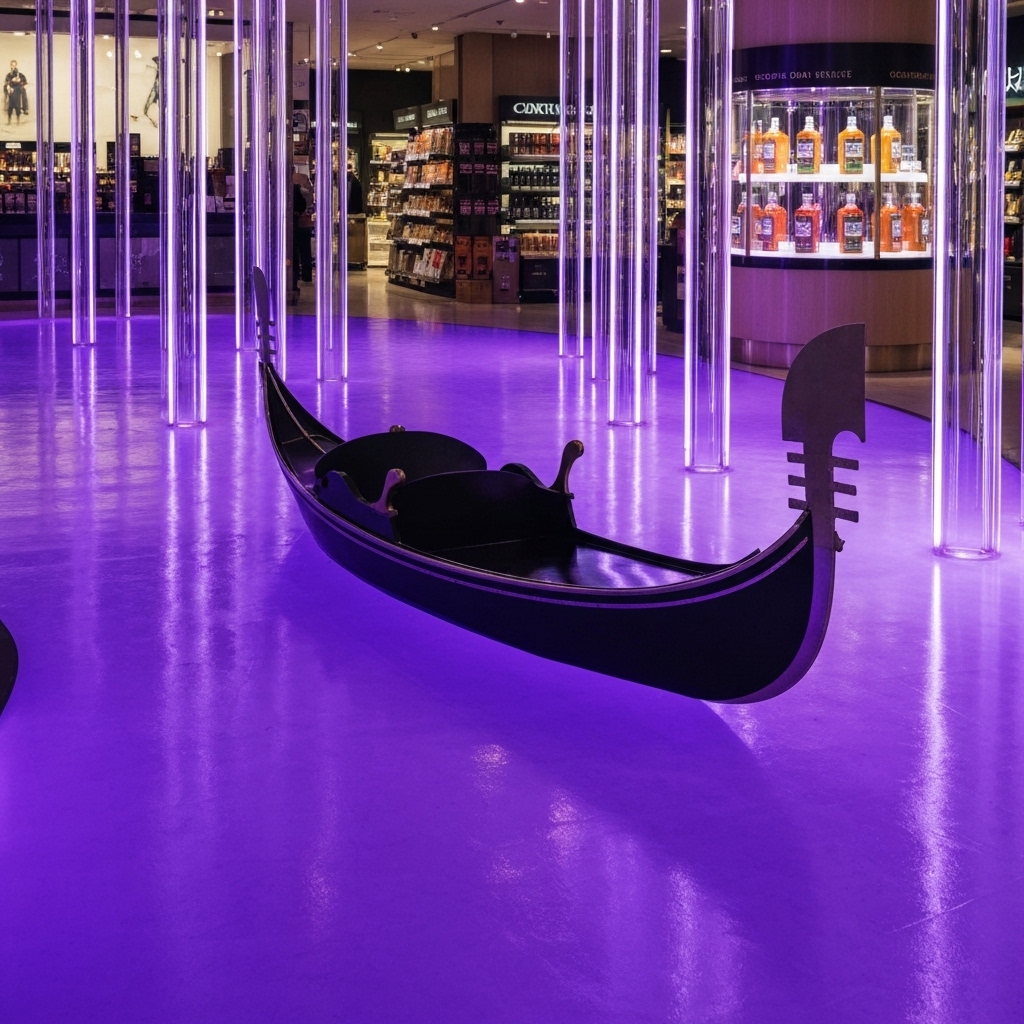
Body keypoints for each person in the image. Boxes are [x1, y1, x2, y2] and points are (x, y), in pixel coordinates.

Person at [292, 174, 313, 290]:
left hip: (297, 224)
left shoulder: (297, 190)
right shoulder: (306, 192)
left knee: (295, 251)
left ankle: (296, 276)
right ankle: (306, 274)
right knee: (305, 251)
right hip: (304, 224)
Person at [4, 61, 28, 126]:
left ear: (16, 65)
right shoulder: (8, 75)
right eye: (12, 65)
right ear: (10, 66)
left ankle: (18, 120)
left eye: (14, 65)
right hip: (11, 92)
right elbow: (6, 83)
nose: (13, 66)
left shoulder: (20, 74)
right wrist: (8, 86)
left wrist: (21, 82)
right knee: (10, 106)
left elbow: (24, 81)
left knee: (18, 106)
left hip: (17, 92)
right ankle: (9, 121)